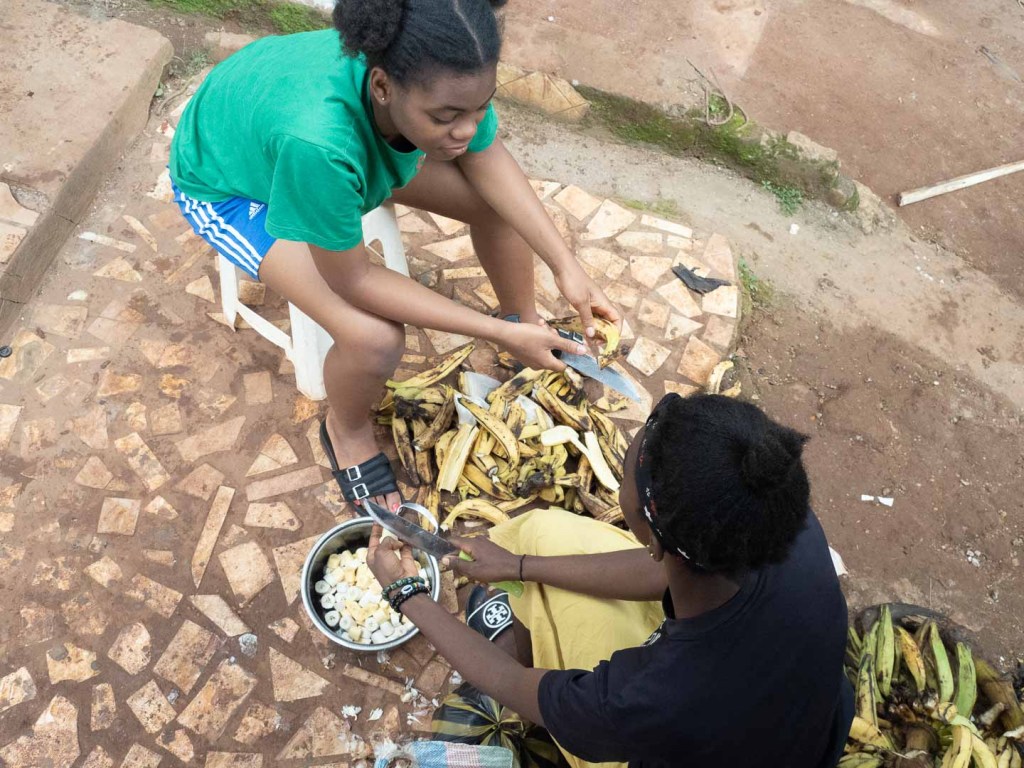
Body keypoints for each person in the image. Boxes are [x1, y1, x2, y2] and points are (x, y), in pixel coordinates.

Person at [168, 0, 618, 513]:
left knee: (498, 207)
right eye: (447, 118)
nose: (468, 130)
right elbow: (355, 281)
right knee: (374, 338)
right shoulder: (321, 141)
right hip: (231, 182)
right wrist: (490, 331)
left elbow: (486, 158)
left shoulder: (437, 74)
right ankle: (346, 430)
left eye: (480, 109)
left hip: (300, 138)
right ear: (382, 86)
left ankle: (525, 325)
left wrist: (567, 266)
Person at [367, 393, 854, 768]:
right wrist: (519, 566)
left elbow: (511, 683)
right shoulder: (770, 515)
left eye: (624, 481)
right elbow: (661, 569)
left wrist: (406, 594)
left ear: (654, 537)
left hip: (687, 734)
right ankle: (527, 611)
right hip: (794, 725)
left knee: (541, 662)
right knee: (542, 537)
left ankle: (530, 651)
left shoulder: (654, 696)